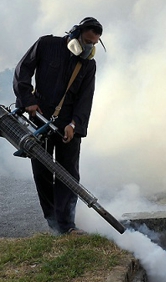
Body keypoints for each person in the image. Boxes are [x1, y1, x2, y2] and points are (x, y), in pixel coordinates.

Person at [13, 17, 104, 235]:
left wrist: (75, 124)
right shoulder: (46, 45)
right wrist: (27, 100)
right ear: (75, 34)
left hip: (68, 127)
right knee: (42, 171)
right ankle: (53, 221)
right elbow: (22, 70)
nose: (89, 47)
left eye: (94, 43)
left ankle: (67, 225)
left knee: (69, 175)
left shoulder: (88, 65)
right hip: (39, 119)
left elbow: (85, 99)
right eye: (87, 41)